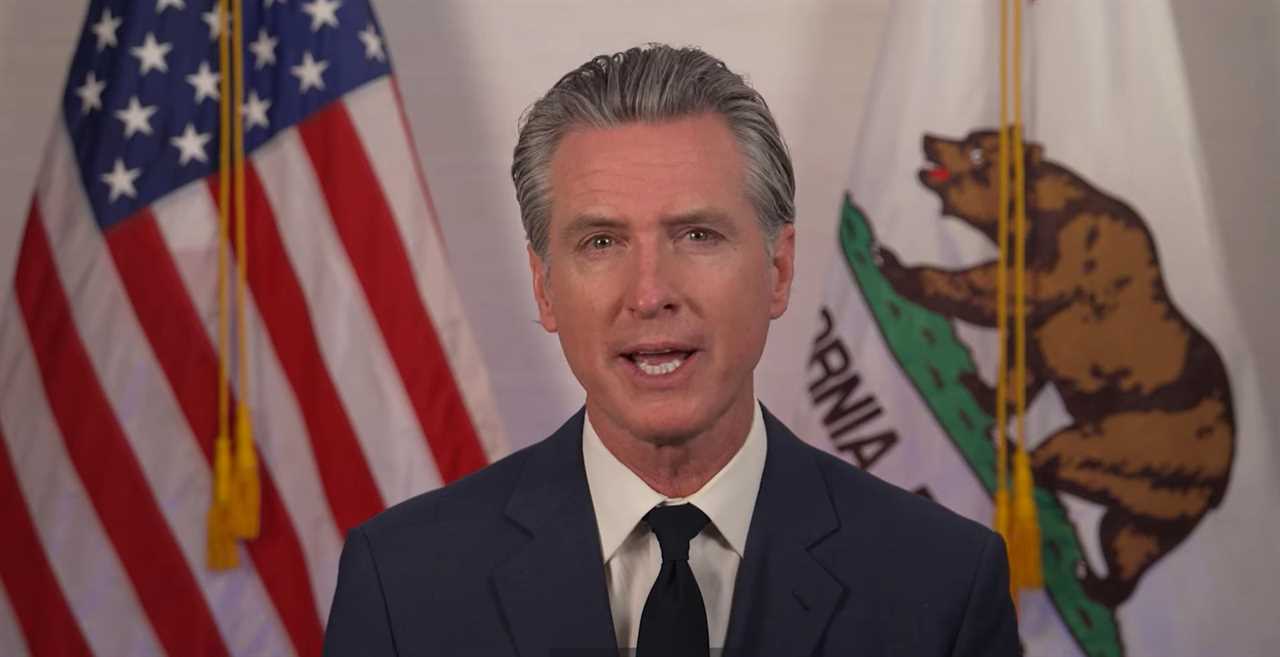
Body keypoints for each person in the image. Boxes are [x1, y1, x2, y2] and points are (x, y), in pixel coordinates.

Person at [323, 44, 1020, 657]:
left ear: (778, 270)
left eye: (697, 235)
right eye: (601, 242)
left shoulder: (942, 584)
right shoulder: (403, 583)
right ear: (543, 288)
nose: (651, 292)